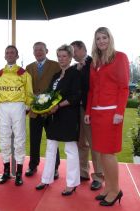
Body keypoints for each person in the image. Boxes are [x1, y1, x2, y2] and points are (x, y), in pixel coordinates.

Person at [84, 27, 129, 206]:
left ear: (110, 39)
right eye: (98, 38)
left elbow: (124, 87)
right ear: (95, 42)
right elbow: (92, 90)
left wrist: (119, 112)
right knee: (101, 153)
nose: (101, 41)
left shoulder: (120, 57)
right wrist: (88, 111)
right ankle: (109, 187)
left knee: (109, 154)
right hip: (97, 113)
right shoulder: (95, 62)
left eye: (104, 37)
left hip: (111, 113)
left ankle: (116, 189)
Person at [36, 44, 81, 196]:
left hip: (68, 116)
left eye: (64, 56)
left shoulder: (75, 74)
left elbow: (75, 97)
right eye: (59, 56)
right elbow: (49, 95)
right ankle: (46, 179)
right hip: (53, 117)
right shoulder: (56, 75)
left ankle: (72, 183)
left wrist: (58, 106)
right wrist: (45, 106)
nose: (61, 59)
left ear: (70, 57)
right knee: (50, 148)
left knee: (70, 150)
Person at [0, 45, 33, 186]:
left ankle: (18, 173)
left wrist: (28, 106)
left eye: (12, 53)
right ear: (4, 56)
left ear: (17, 56)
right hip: (4, 106)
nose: (10, 55)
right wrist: (0, 105)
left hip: (18, 105)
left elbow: (29, 91)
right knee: (3, 137)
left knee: (19, 138)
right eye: (7, 53)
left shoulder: (24, 73)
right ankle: (5, 171)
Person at [71, 40, 103, 190]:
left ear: (83, 49)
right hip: (77, 109)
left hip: (90, 108)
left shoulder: (94, 63)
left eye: (74, 51)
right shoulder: (75, 67)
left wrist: (80, 70)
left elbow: (92, 86)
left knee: (94, 143)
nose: (72, 54)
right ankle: (83, 172)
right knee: (81, 142)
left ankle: (98, 176)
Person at [25, 42, 60, 179]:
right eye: (36, 50)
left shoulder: (56, 66)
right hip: (34, 111)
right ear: (33, 52)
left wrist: (52, 102)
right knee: (34, 140)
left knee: (52, 139)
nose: (38, 52)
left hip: (50, 110)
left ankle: (55, 168)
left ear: (47, 50)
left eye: (41, 50)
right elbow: (26, 89)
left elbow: (59, 87)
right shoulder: (28, 67)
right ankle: (33, 165)